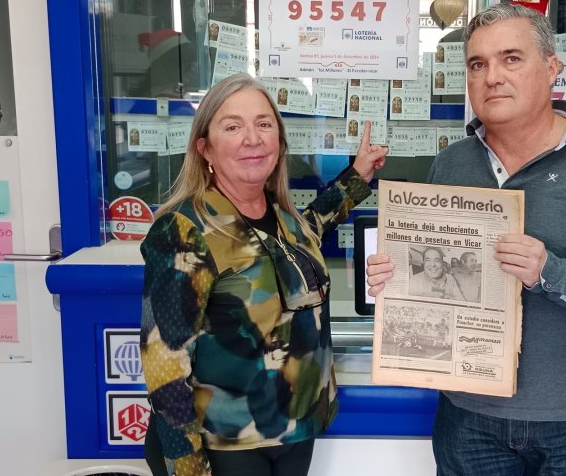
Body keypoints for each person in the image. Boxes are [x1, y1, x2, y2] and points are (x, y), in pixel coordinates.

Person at [366, 3, 566, 476]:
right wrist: (395, 278)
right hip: (467, 415)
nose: (493, 77)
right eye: (478, 64)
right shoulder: (451, 166)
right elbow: (433, 277)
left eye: (511, 58)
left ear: (551, 67)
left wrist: (552, 272)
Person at [140, 73, 388, 476]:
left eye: (264, 124)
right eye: (232, 126)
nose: (252, 138)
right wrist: (186, 467)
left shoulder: (281, 216)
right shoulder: (185, 230)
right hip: (229, 444)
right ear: (205, 147)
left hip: (295, 429)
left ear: (279, 141)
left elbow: (305, 233)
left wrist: (356, 178)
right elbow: (164, 365)